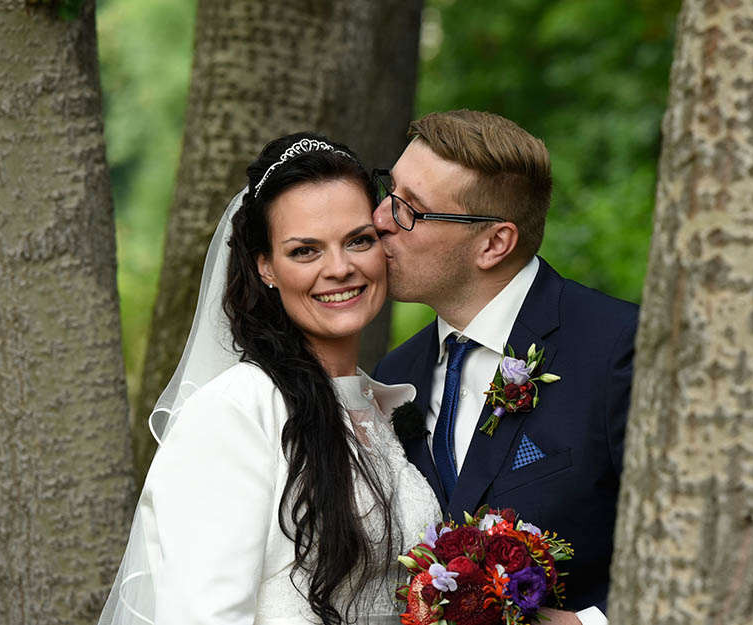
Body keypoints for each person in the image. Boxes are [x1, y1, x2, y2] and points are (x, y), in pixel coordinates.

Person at [98, 132, 440, 625]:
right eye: (305, 251)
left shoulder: (378, 405)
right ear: (266, 268)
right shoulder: (236, 411)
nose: (340, 268)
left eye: (358, 240)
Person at [371, 110, 638, 625]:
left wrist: (589, 624)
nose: (381, 217)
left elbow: (699, 550)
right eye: (390, 189)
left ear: (494, 243)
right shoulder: (397, 370)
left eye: (411, 209)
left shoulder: (618, 350)